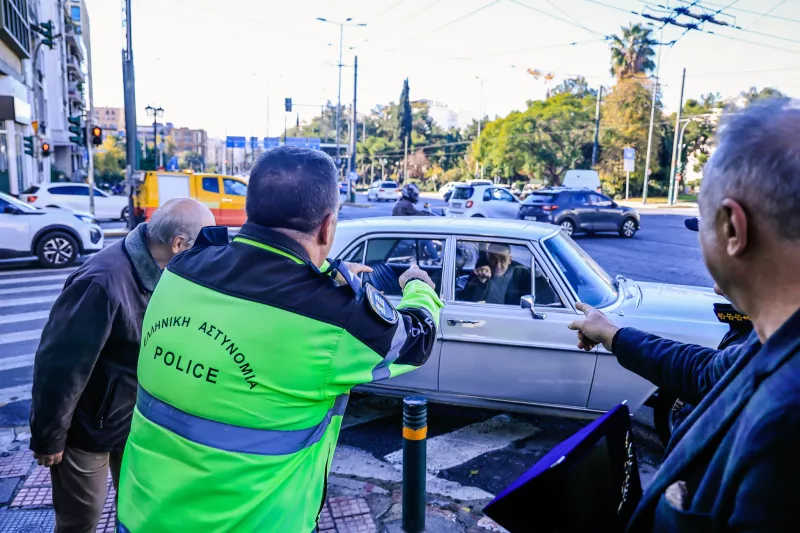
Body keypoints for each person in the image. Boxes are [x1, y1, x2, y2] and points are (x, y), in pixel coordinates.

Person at [116, 146, 444, 533]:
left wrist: (320, 274)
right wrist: (419, 287)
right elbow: (417, 339)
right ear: (327, 227)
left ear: (250, 210)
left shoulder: (184, 267)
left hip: (142, 513)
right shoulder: (335, 318)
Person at [569, 99, 800, 532]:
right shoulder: (774, 337)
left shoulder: (785, 427)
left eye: (704, 223)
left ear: (733, 229)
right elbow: (707, 373)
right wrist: (612, 334)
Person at [29, 198, 215, 533]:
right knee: (80, 521)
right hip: (88, 433)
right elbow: (59, 367)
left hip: (133, 426)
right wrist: (49, 437)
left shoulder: (167, 273)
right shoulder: (102, 282)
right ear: (178, 245)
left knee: (137, 513)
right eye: (199, 245)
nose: (205, 256)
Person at [457, 243, 531, 305]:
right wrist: (481, 281)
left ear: (509, 260)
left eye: (503, 259)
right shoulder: (478, 273)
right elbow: (468, 302)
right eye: (493, 259)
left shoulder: (521, 272)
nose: (497, 265)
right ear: (488, 258)